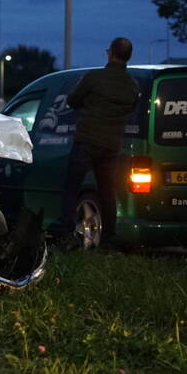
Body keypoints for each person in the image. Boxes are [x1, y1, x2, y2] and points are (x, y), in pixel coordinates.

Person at [59, 37, 140, 248]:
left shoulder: (94, 78)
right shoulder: (132, 86)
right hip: (111, 146)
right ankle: (108, 239)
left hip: (86, 141)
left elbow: (73, 100)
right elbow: (131, 109)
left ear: (111, 52)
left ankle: (67, 235)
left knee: (71, 187)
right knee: (107, 193)